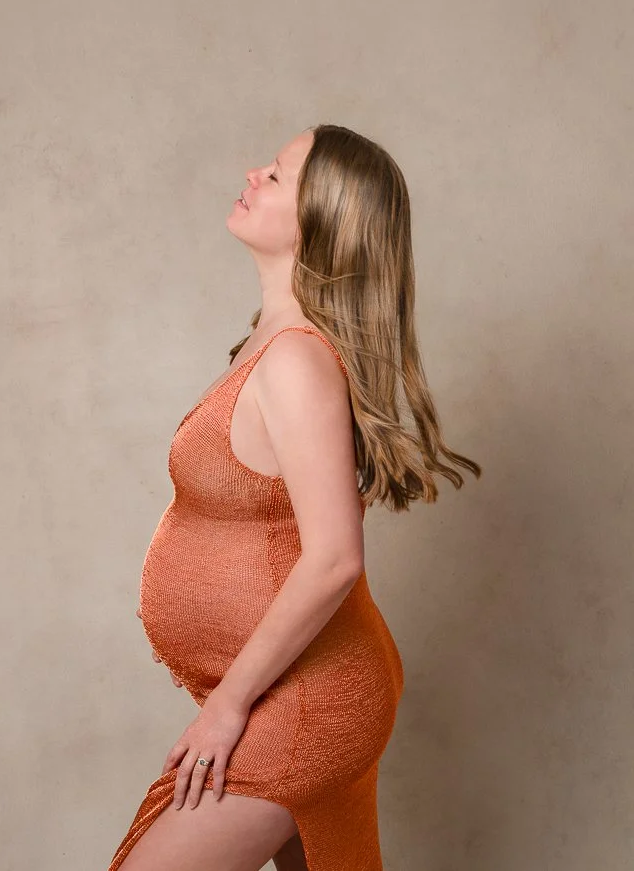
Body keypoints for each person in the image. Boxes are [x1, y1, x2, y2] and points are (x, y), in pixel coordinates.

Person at [108, 124, 481, 871]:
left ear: (321, 222)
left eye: (276, 176)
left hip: (307, 699)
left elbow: (335, 556)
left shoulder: (297, 363)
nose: (252, 172)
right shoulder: (270, 340)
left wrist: (226, 707)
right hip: (294, 686)